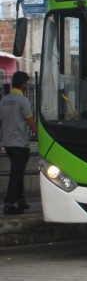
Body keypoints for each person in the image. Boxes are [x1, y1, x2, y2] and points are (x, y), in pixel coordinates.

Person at [1, 71, 37, 215]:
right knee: (16, 174)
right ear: (22, 84)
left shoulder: (4, 100)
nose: (27, 86)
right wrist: (41, 134)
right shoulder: (23, 101)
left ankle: (21, 201)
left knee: (18, 171)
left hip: (7, 143)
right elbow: (30, 121)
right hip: (19, 143)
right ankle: (9, 204)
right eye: (26, 83)